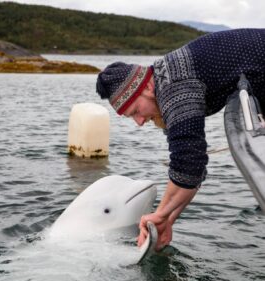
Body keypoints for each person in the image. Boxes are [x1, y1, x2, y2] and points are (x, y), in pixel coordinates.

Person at [96, 28, 265, 250]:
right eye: (131, 117)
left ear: (146, 87)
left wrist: (160, 215)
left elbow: (189, 167)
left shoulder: (173, 89)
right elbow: (191, 171)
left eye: (136, 110)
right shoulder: (164, 82)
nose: (139, 121)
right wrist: (167, 220)